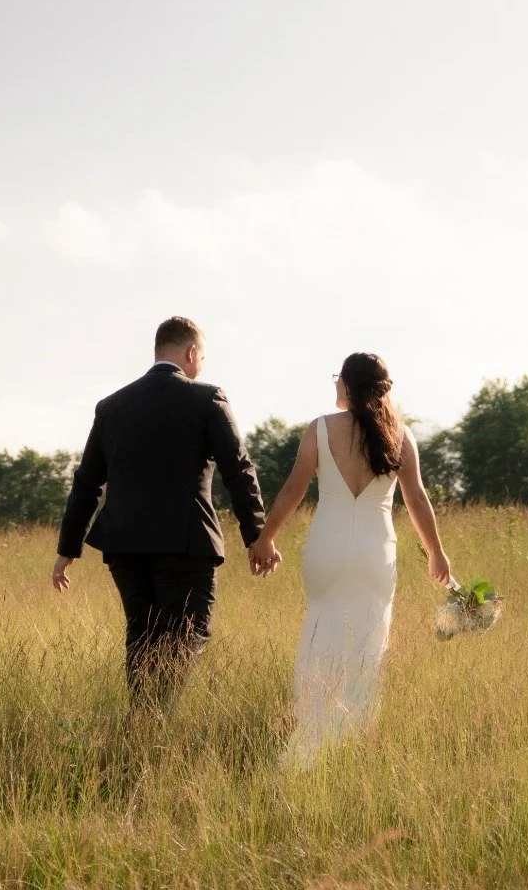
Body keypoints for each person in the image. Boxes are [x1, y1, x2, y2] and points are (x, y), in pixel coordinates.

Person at [53, 316, 275, 711]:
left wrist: (68, 548)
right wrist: (256, 535)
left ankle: (143, 722)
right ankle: (157, 721)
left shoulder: (112, 406)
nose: (201, 366)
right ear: (191, 353)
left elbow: (87, 482)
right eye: (201, 357)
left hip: (125, 546)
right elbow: (238, 471)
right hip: (185, 543)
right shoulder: (207, 398)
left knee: (142, 636)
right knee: (187, 634)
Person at [249, 352, 453, 767]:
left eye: (337, 379)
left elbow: (293, 489)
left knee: (320, 633)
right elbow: (416, 498)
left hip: (328, 545)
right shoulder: (400, 434)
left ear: (347, 384)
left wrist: (265, 538)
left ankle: (310, 738)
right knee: (368, 644)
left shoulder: (320, 429)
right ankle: (349, 744)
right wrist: (436, 552)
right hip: (377, 552)